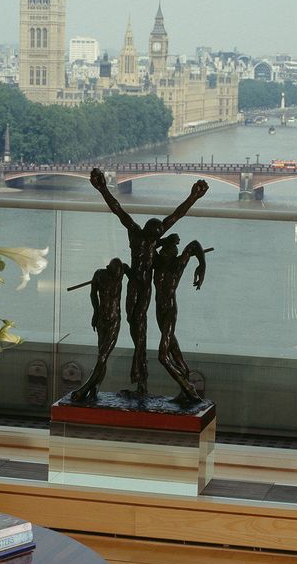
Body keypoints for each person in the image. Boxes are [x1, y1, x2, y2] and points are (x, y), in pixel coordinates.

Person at [88, 167, 208, 396]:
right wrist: (102, 188)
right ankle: (140, 378)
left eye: (158, 239)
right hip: (136, 286)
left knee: (140, 331)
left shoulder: (148, 238)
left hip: (142, 288)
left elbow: (176, 215)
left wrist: (193, 197)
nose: (156, 240)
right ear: (152, 233)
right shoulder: (138, 233)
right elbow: (117, 209)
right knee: (137, 329)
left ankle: (141, 381)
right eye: (157, 237)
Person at [153, 233, 207, 401]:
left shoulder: (177, 265)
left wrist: (202, 266)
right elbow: (150, 244)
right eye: (161, 251)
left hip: (169, 310)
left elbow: (195, 243)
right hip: (159, 310)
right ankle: (185, 390)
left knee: (163, 355)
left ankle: (188, 387)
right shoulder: (157, 264)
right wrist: (165, 240)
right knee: (174, 351)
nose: (161, 252)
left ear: (171, 252)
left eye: (165, 250)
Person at [70, 257, 130, 403]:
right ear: (108, 268)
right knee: (101, 357)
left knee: (103, 356)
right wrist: (95, 313)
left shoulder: (122, 271)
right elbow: (93, 294)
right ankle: (95, 388)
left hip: (115, 321)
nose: (117, 276)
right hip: (102, 320)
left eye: (119, 273)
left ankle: (84, 389)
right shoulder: (99, 275)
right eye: (114, 273)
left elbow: (136, 278)